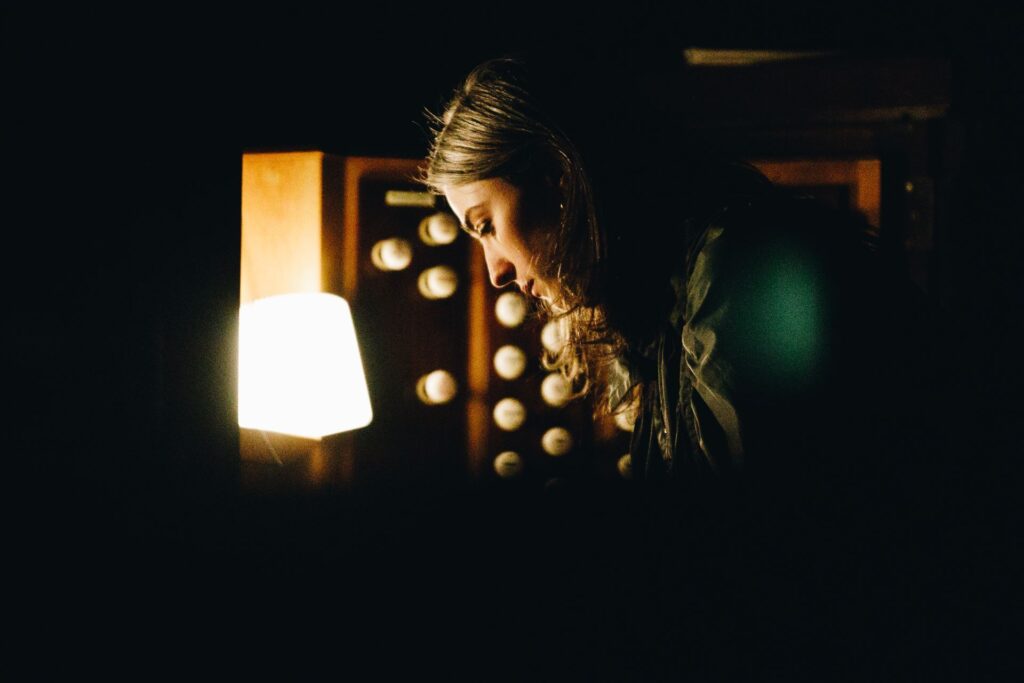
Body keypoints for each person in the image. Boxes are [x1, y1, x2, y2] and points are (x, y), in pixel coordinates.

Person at [420, 49, 980, 675]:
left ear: (558, 176)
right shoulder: (674, 286)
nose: (494, 270)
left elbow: (732, 574)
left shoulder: (742, 266)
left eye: (486, 224)